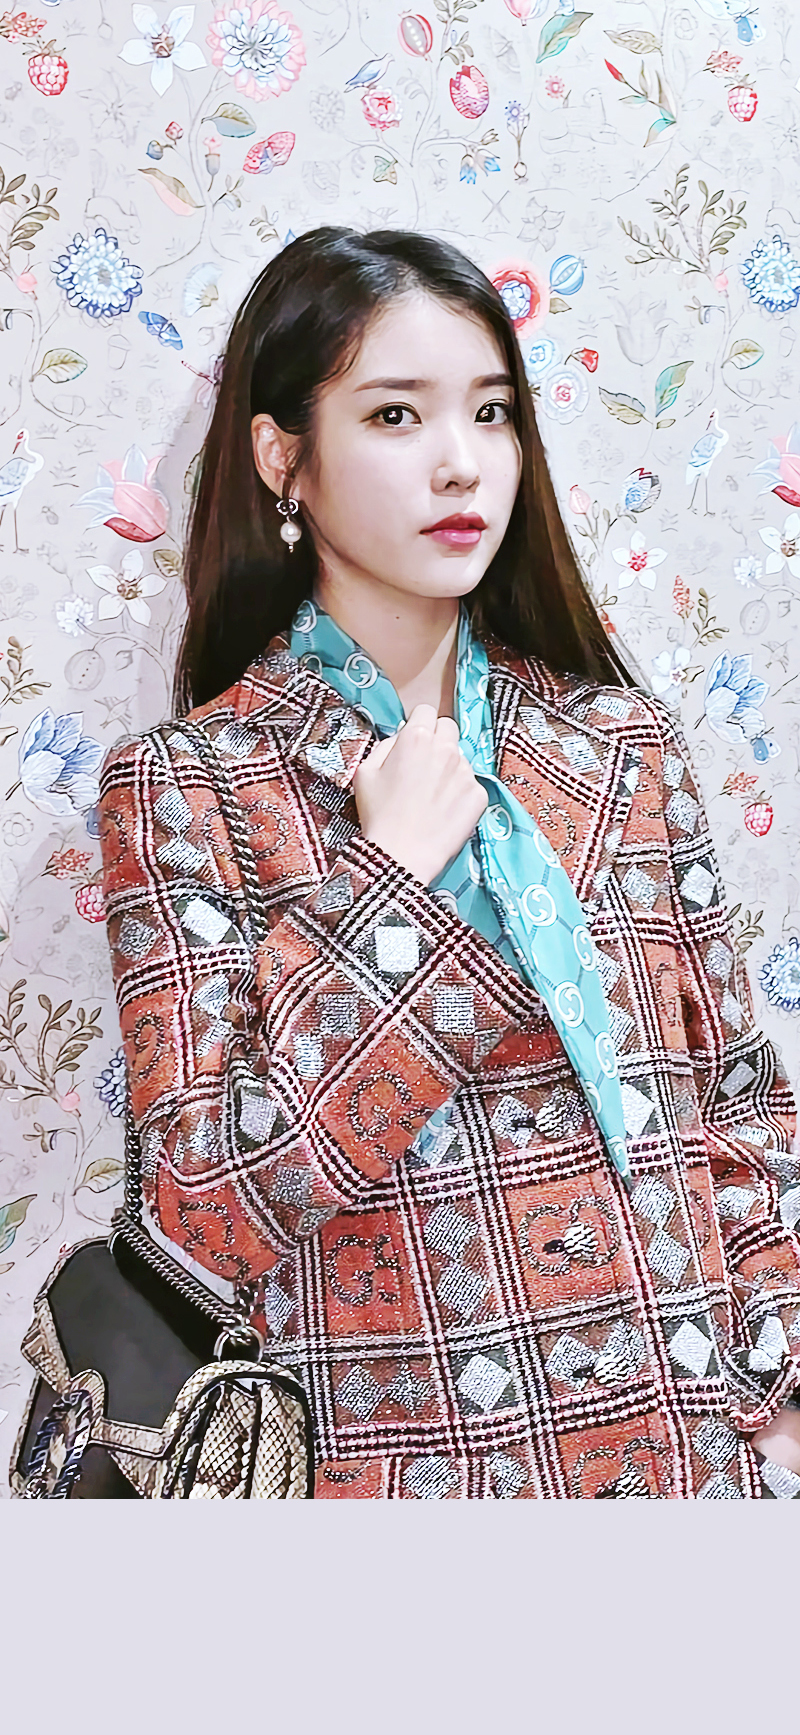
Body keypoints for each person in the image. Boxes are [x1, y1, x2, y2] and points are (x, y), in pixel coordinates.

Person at [98, 227, 800, 1499]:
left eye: (489, 411)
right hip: (409, 1484)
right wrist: (388, 883)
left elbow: (736, 1104)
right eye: (393, 414)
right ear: (281, 458)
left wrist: (782, 1388)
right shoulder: (188, 786)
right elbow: (203, 1214)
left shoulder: (617, 745)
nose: (461, 460)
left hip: (694, 1459)